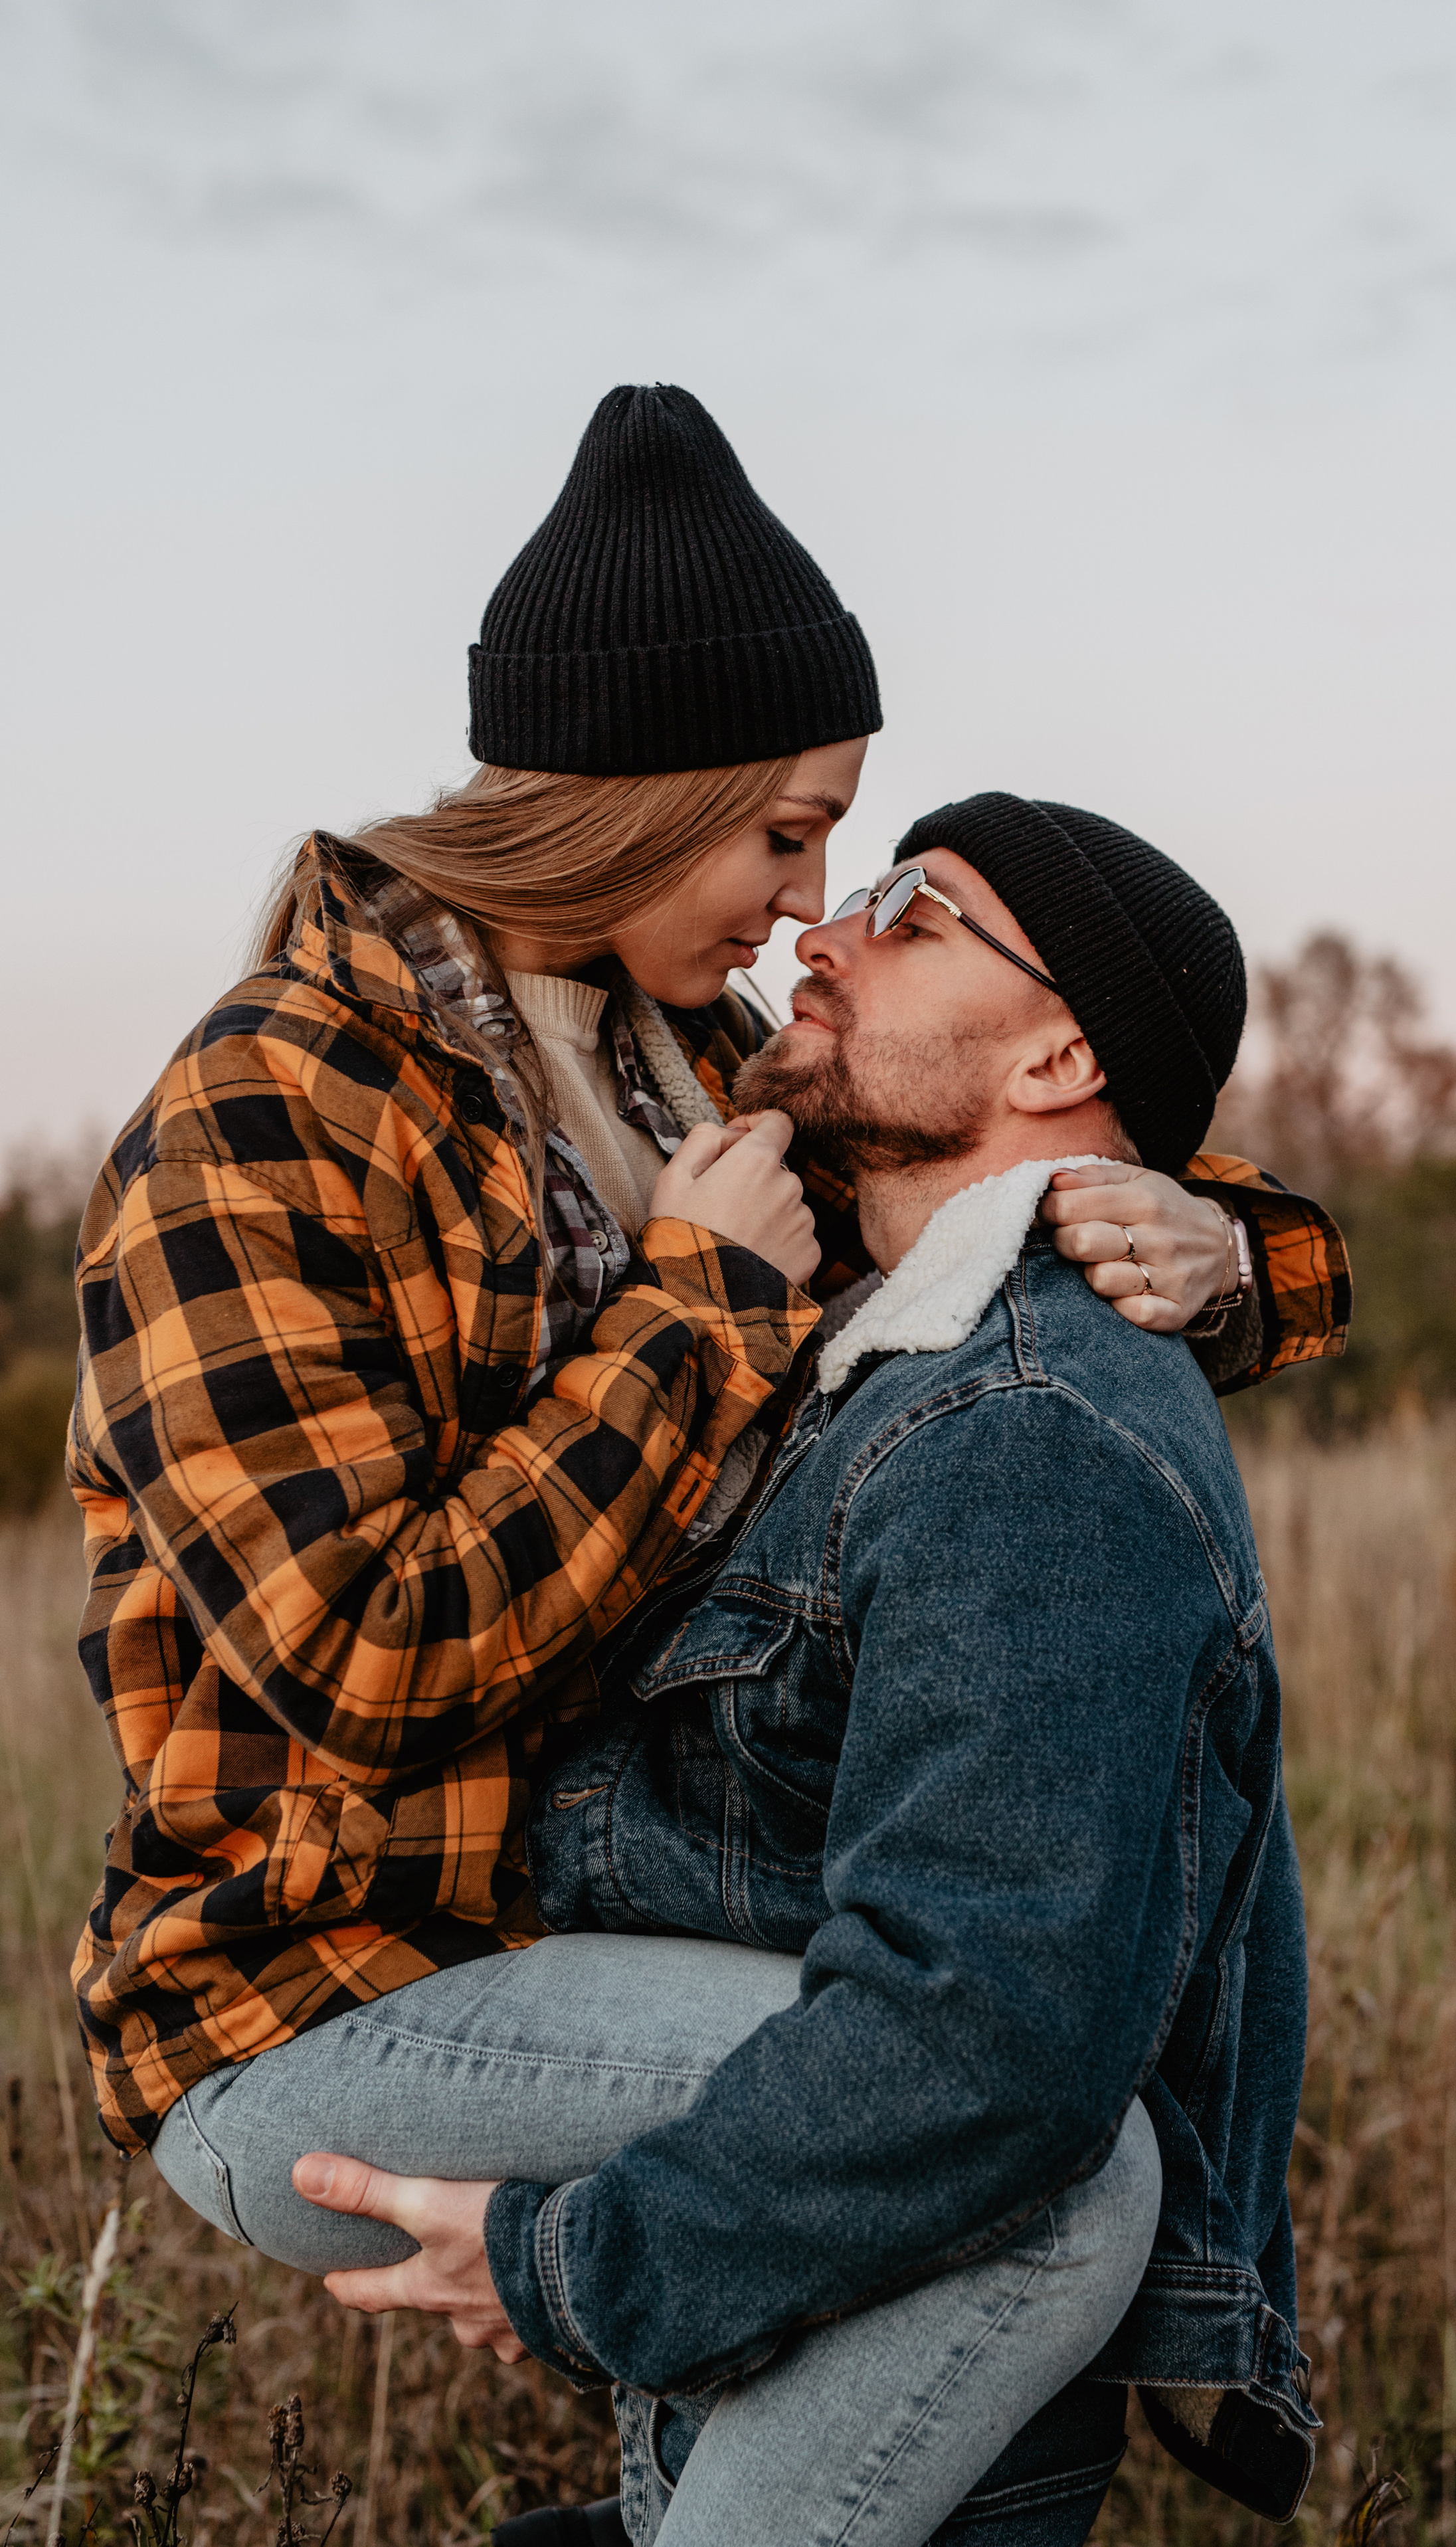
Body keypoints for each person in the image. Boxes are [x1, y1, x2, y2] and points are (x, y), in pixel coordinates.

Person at [68, 388, 1345, 2541]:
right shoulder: (272, 1110)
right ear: (637, 804)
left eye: (848, 860)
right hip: (329, 1978)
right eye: (785, 835)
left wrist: (1240, 1258)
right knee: (1030, 2179)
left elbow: (1012, 1135)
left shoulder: (667, 1068)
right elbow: (358, 1663)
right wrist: (680, 1312)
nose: (801, 911)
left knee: (956, 2163)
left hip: (585, 1915)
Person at [289, 795, 1320, 2547]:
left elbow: (985, 2042)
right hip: (815, 2331)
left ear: (1062, 1043)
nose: (816, 935)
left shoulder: (1031, 1423)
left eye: (911, 911)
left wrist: (566, 2265)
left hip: (928, 2371)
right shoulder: (872, 1358)